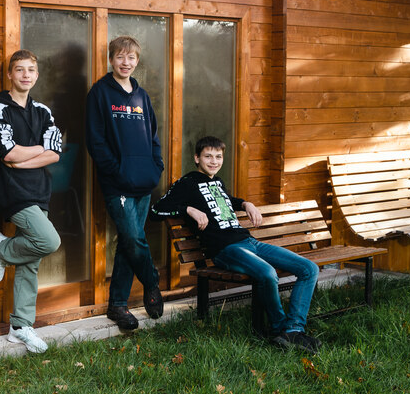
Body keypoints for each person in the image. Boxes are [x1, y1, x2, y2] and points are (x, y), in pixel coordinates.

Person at [150, 136, 321, 353]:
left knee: (309, 268)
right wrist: (188, 210)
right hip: (226, 250)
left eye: (218, 156)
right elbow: (156, 210)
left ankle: (293, 330)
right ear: (196, 158)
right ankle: (279, 329)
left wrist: (245, 203)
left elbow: (226, 200)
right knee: (268, 273)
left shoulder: (217, 182)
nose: (214, 161)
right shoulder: (187, 183)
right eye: (208, 156)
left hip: (250, 242)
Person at [0, 50, 63, 353]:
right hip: (11, 191)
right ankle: (0, 249)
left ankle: (20, 326)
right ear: (10, 75)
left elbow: (54, 152)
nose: (26, 75)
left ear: (36, 75)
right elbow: (6, 153)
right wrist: (32, 152)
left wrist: (26, 156)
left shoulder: (43, 111)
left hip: (39, 190)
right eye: (19, 70)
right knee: (48, 241)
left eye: (31, 70)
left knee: (31, 261)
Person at [85, 35, 165, 331]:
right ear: (111, 59)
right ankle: (152, 281)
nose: (125, 62)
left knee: (128, 245)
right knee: (132, 238)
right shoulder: (100, 93)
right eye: (120, 56)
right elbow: (95, 140)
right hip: (117, 183)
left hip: (144, 181)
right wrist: (115, 171)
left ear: (137, 61)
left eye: (131, 58)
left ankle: (117, 305)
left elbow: (153, 136)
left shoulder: (141, 96)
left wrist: (156, 166)